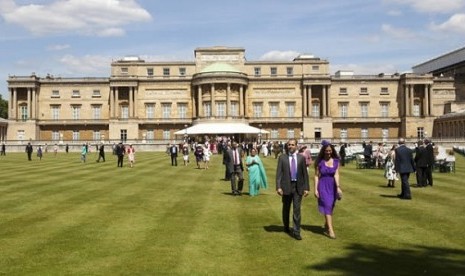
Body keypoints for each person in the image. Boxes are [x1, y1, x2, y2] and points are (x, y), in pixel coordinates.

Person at [276, 138, 310, 240]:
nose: (290, 146)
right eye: (289, 145)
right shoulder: (282, 158)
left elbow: (305, 174)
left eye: (292, 145)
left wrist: (306, 188)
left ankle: (296, 231)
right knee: (286, 208)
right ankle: (286, 226)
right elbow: (279, 174)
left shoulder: (301, 158)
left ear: (296, 146)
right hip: (286, 185)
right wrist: (278, 187)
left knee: (297, 209)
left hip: (298, 186)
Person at [314, 140, 342, 239]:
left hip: (332, 186)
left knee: (330, 206)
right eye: (326, 151)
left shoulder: (336, 161)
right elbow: (316, 176)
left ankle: (326, 224)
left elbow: (336, 174)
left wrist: (338, 187)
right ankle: (331, 230)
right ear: (323, 151)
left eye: (330, 151)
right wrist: (315, 189)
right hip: (322, 186)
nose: (328, 152)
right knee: (327, 205)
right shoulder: (319, 162)